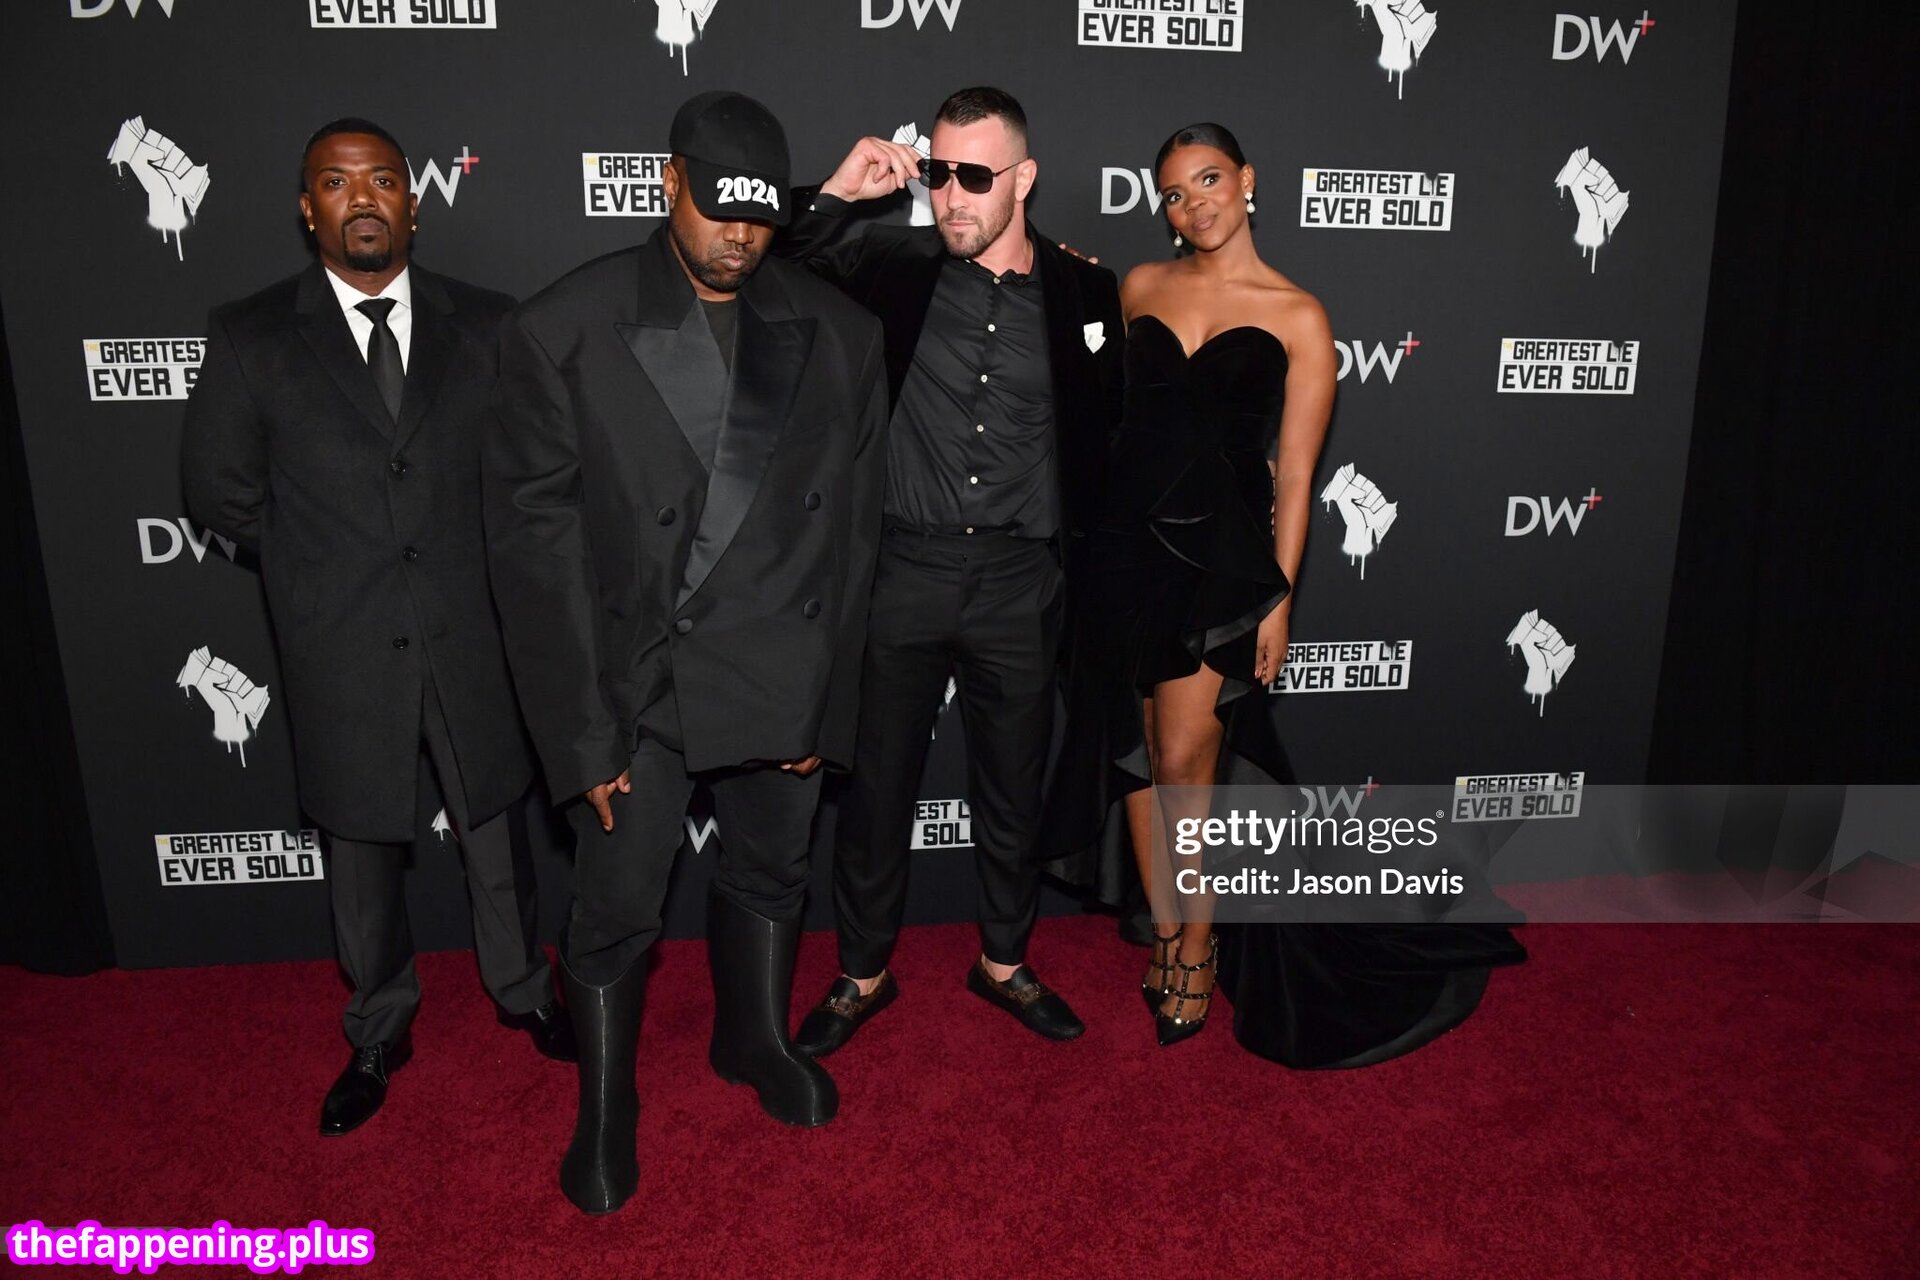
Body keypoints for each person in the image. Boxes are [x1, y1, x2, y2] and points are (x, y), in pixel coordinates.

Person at [484, 91, 889, 1216]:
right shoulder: (563, 327)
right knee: (616, 904)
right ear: (669, 183)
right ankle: (605, 1103)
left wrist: (826, 708)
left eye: (760, 217)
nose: (739, 237)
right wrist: (583, 737)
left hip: (779, 668)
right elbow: (535, 559)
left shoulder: (842, 333)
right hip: (636, 683)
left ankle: (753, 1038)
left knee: (773, 868)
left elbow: (855, 543)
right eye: (719, 210)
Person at [1044, 122, 1525, 1061]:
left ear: (1248, 181)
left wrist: (1278, 598)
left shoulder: (1299, 314)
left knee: (1186, 754)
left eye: (1209, 180)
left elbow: (1298, 476)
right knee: (1135, 751)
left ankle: (1197, 942)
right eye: (1175, 193)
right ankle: (1165, 925)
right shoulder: (1139, 286)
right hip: (1125, 549)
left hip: (1220, 561)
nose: (1194, 204)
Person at [181, 118, 574, 1140]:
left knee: (496, 831)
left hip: (472, 633)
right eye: (335, 182)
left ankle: (524, 988)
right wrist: (322, 566)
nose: (362, 198)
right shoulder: (252, 333)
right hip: (341, 644)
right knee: (357, 854)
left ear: (413, 201)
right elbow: (219, 490)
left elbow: (528, 468)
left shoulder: (486, 323)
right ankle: (377, 1027)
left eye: (383, 180)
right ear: (306, 207)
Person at [773, 87, 1125, 1056]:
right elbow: (767, 265)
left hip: (1020, 581)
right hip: (904, 569)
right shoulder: (891, 265)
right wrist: (838, 193)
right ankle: (862, 971)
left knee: (1012, 788)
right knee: (877, 788)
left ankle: (1004, 961)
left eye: (974, 176)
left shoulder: (1086, 292)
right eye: (937, 173)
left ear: (1024, 178)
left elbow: (1111, 436)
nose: (951, 196)